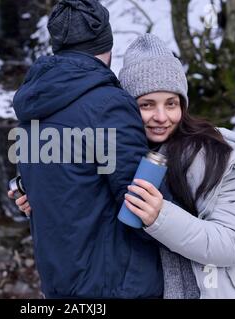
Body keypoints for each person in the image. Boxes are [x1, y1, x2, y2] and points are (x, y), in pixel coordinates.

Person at [11, 33, 235, 299]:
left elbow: (233, 244)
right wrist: (39, 197)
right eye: (147, 105)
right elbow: (93, 220)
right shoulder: (121, 154)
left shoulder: (212, 154)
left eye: (171, 104)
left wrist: (160, 216)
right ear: (127, 107)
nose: (161, 117)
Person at [11, 0, 167, 299]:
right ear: (106, 44)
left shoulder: (31, 108)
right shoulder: (109, 105)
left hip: (59, 284)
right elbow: (139, 203)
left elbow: (48, 190)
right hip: (118, 286)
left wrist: (20, 189)